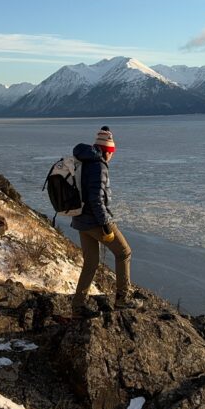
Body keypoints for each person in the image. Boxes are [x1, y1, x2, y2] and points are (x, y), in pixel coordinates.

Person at [70, 126, 141, 318]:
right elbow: (95, 198)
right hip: (94, 220)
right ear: (107, 151)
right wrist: (105, 224)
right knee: (124, 252)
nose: (112, 156)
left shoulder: (82, 161)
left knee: (91, 262)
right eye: (112, 152)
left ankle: (78, 306)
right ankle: (123, 299)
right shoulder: (98, 165)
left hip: (80, 219)